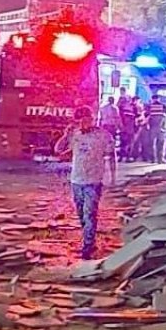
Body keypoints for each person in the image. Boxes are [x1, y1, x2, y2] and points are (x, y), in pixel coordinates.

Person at [54, 106, 116, 260]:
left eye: (86, 120)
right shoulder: (75, 134)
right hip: (76, 180)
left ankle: (88, 246)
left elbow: (111, 155)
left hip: (94, 181)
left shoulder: (103, 136)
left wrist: (113, 176)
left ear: (92, 119)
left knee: (90, 213)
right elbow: (58, 150)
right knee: (81, 214)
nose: (83, 123)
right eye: (80, 121)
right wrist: (65, 135)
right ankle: (88, 238)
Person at [145, 94, 166, 163]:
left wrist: (147, 125)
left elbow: (146, 116)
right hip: (161, 127)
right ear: (159, 99)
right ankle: (160, 159)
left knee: (151, 144)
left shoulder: (149, 106)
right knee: (161, 143)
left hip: (152, 127)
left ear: (152, 99)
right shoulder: (163, 106)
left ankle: (152, 159)